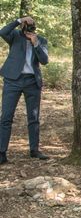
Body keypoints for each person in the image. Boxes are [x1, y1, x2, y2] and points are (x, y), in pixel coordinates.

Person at [0, 16, 49, 163]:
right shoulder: (14, 36)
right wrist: (19, 20)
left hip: (32, 82)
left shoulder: (40, 40)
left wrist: (35, 44)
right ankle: (2, 152)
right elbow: (2, 32)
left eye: (32, 25)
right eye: (27, 24)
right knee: (6, 117)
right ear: (22, 26)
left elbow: (44, 60)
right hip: (13, 80)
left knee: (33, 118)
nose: (29, 28)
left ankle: (34, 150)